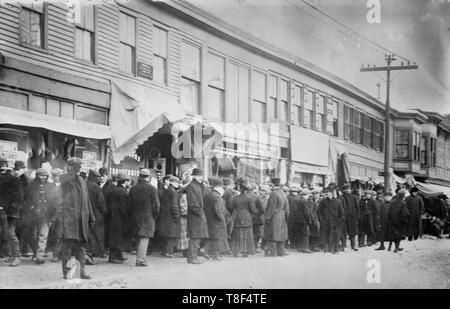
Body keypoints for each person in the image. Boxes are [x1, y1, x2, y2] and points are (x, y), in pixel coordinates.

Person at [60, 157, 95, 279]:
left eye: (80, 166)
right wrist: (72, 171)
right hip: (70, 219)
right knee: (68, 248)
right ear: (71, 166)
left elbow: (87, 200)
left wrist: (91, 215)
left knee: (81, 248)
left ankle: (82, 271)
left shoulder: (82, 180)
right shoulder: (64, 178)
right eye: (76, 166)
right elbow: (66, 181)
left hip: (81, 220)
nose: (79, 168)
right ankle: (67, 272)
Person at [24, 168, 56, 264]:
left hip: (46, 215)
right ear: (37, 175)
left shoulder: (50, 186)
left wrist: (52, 216)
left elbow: (54, 201)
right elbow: (26, 200)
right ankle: (35, 252)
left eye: (44, 176)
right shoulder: (31, 185)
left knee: (43, 235)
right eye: (40, 175)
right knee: (33, 235)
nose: (43, 178)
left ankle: (40, 255)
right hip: (33, 215)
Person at [128, 169, 160, 267]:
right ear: (148, 177)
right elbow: (156, 206)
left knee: (138, 237)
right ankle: (140, 259)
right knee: (144, 238)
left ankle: (141, 257)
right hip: (147, 217)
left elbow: (129, 204)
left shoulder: (133, 188)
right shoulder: (152, 189)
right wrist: (155, 215)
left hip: (135, 217)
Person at [0, 158, 22, 266]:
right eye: (0, 166)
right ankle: (9, 255)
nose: (2, 168)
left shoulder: (13, 180)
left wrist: (10, 207)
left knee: (10, 234)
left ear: (7, 166)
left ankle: (17, 256)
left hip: (9, 212)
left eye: (4, 165)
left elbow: (19, 197)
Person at [184, 168, 208, 264]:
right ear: (193, 176)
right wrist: (200, 213)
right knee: (195, 237)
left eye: (201, 176)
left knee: (197, 237)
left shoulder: (198, 185)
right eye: (198, 176)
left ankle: (193, 257)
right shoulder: (192, 186)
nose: (201, 178)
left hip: (197, 215)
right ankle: (192, 258)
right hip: (195, 215)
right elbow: (192, 203)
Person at [105, 172, 131, 264]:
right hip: (119, 218)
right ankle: (113, 257)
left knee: (114, 237)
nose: (129, 183)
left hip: (112, 217)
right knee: (118, 237)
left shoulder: (112, 190)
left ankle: (118, 255)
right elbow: (123, 207)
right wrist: (126, 217)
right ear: (125, 181)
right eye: (128, 181)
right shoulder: (123, 192)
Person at [229, 178, 257, 257]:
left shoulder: (235, 198)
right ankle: (245, 251)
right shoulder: (249, 198)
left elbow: (231, 207)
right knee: (246, 234)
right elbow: (253, 209)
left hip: (238, 216)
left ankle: (235, 251)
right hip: (247, 217)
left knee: (237, 233)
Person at [263, 177, 289, 257]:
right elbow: (287, 208)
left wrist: (267, 218)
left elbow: (271, 207)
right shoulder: (283, 193)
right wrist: (286, 218)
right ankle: (280, 252)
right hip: (282, 215)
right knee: (280, 234)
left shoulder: (273, 193)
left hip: (275, 216)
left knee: (272, 234)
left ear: (273, 185)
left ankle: (273, 252)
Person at [85, 169, 107, 264]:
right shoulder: (96, 188)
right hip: (96, 214)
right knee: (97, 235)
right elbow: (101, 202)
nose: (99, 179)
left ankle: (87, 254)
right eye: (98, 177)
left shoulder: (84, 185)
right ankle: (94, 254)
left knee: (87, 234)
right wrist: (104, 212)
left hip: (85, 214)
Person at [204, 177, 227, 260]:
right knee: (217, 238)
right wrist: (222, 219)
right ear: (218, 187)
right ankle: (215, 254)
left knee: (211, 237)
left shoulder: (208, 194)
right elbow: (218, 210)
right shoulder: (217, 196)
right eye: (222, 187)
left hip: (209, 219)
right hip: (216, 220)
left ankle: (206, 252)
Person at [157, 174, 180, 258]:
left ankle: (164, 251)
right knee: (172, 235)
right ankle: (169, 252)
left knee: (166, 234)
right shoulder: (173, 191)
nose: (178, 183)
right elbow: (174, 205)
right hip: (171, 215)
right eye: (176, 182)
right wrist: (177, 214)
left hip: (165, 215)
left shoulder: (167, 190)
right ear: (172, 182)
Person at [317, 186, 345, 254]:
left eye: (330, 193)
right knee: (326, 235)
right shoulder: (323, 201)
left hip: (335, 223)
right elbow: (318, 211)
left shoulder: (338, 201)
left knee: (336, 236)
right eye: (328, 193)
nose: (328, 194)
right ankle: (326, 248)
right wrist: (321, 220)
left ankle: (335, 249)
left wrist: (339, 221)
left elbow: (342, 213)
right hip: (326, 222)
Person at [14, 161, 30, 259]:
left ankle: (23, 250)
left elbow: (28, 196)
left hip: (24, 208)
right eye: (16, 169)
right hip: (15, 208)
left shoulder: (26, 181)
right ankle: (16, 252)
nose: (17, 171)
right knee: (15, 230)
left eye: (19, 169)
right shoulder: (13, 179)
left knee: (23, 230)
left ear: (23, 169)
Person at [48, 168, 64, 262]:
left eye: (59, 176)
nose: (57, 178)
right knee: (50, 234)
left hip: (62, 213)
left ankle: (56, 254)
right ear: (53, 177)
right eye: (56, 176)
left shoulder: (65, 187)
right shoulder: (50, 186)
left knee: (59, 235)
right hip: (51, 214)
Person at [387, 189, 409, 253]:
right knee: (399, 235)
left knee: (392, 234)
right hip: (399, 221)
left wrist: (389, 219)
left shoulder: (392, 201)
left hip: (392, 220)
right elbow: (404, 214)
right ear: (403, 195)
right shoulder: (403, 203)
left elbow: (389, 212)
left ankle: (389, 246)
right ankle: (396, 248)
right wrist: (405, 221)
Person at [340, 184, 359, 251]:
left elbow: (357, 208)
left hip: (352, 218)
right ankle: (343, 245)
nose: (347, 190)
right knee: (343, 232)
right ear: (343, 190)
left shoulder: (354, 198)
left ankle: (353, 246)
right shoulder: (341, 197)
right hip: (344, 218)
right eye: (346, 189)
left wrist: (356, 217)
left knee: (352, 232)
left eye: (348, 189)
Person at [295, 188, 313, 253]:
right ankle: (305, 248)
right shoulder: (305, 201)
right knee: (306, 234)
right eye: (309, 194)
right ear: (307, 194)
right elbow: (306, 212)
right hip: (304, 220)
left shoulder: (299, 200)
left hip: (299, 219)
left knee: (300, 234)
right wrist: (309, 220)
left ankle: (300, 247)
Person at [250, 183, 266, 253]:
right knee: (257, 233)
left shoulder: (266, 198)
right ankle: (254, 247)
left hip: (261, 217)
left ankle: (255, 246)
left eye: (264, 190)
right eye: (261, 190)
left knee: (258, 234)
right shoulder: (256, 197)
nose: (262, 192)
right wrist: (258, 214)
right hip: (258, 218)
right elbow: (262, 209)